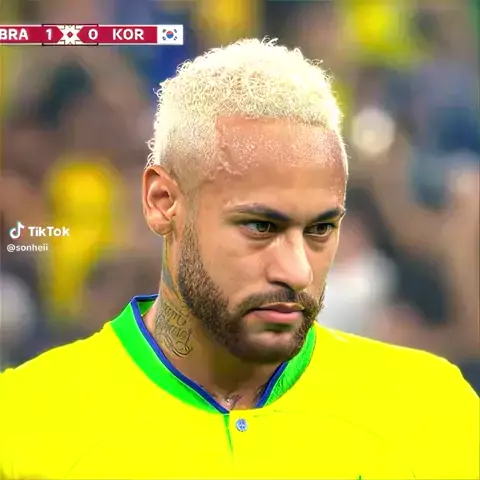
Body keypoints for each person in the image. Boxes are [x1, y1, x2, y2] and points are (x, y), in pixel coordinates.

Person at [0, 39, 478, 480]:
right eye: (260, 227)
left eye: (320, 229)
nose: (297, 272)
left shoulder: (430, 409)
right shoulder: (24, 423)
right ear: (163, 202)